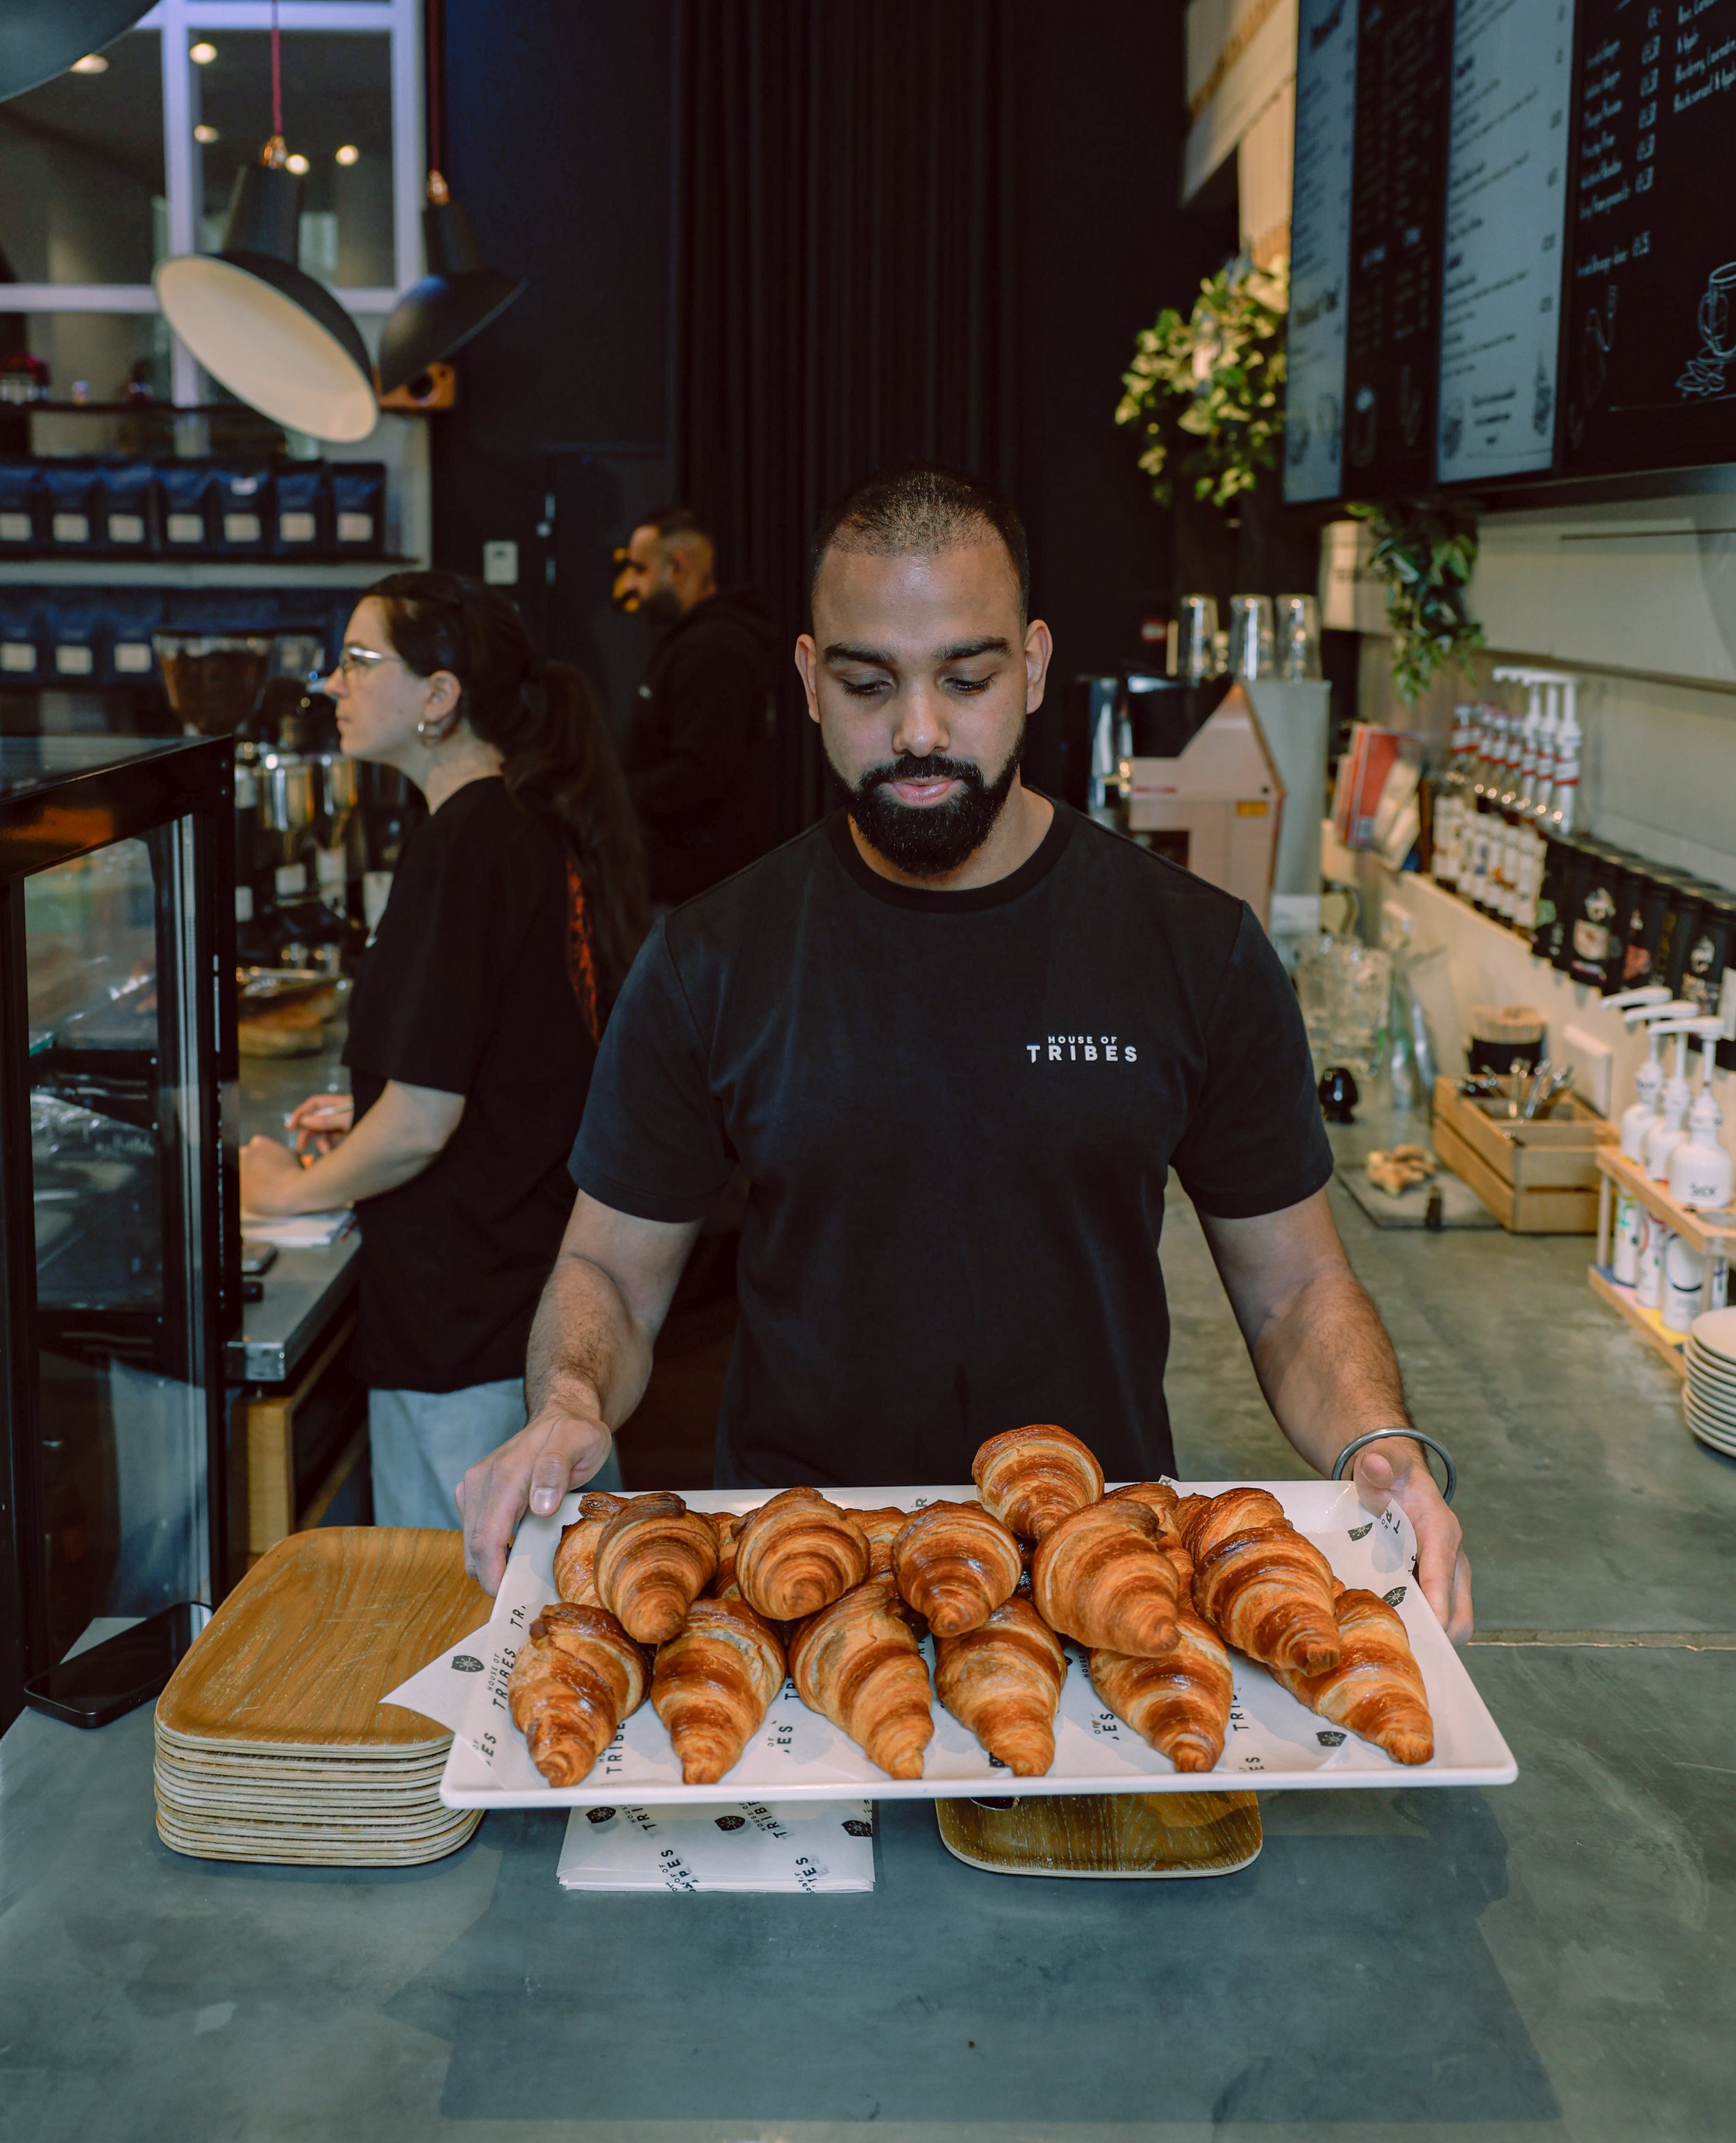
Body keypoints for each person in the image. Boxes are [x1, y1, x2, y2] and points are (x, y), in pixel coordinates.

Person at [457, 465, 1471, 1643]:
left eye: (967, 678)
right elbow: (611, 1273)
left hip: (1099, 1580)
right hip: (802, 1582)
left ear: (1034, 667)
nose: (919, 730)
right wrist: (567, 1400)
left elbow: (1294, 1291)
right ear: (809, 681)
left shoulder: (1194, 948)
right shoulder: (710, 958)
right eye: (868, 683)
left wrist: (1378, 1443)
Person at [238, 572, 648, 1527]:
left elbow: (424, 1123)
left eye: (357, 660)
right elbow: (508, 1061)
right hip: (513, 1298)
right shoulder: (517, 825)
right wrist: (370, 1102)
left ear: (439, 694)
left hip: (466, 1330)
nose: (330, 684)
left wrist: (289, 1190)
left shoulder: (464, 844)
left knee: (470, 1605)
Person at [617, 505, 781, 902]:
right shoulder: (698, 642)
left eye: (639, 569)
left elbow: (700, 773)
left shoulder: (714, 649)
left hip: (698, 891)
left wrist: (615, 795)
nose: (630, 586)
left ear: (677, 567)